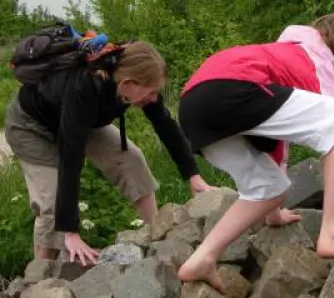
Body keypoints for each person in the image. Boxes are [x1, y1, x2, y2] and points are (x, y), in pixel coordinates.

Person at [176, 11, 334, 293]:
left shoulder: (285, 55)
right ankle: (333, 232)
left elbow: (276, 137)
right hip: (231, 87)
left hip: (193, 106)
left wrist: (273, 212)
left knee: (270, 187)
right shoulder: (316, 63)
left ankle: (202, 258)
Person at [4, 40, 216, 266]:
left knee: (131, 160)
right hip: (31, 127)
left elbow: (166, 125)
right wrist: (71, 231)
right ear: (128, 83)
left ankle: (156, 234)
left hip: (80, 120)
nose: (154, 98)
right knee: (51, 205)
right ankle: (40, 277)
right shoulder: (84, 87)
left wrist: (193, 175)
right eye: (151, 92)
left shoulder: (135, 82)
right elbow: (71, 157)